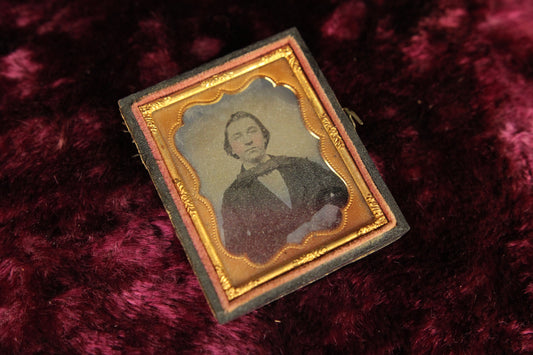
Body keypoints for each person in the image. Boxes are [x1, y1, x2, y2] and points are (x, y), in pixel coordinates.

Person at [221, 111, 348, 264]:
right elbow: (236, 247)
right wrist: (282, 243)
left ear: (264, 135)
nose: (248, 140)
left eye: (252, 131)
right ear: (231, 148)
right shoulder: (233, 196)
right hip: (291, 265)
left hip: (339, 246)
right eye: (237, 136)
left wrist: (331, 208)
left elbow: (342, 187)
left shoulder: (300, 165)